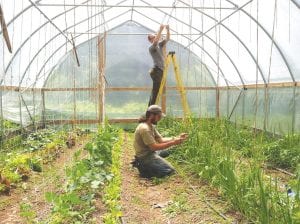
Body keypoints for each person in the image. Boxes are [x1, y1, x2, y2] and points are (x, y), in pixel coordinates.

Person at [132, 105, 188, 178]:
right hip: (145, 157)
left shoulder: (150, 126)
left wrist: (177, 138)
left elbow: (161, 140)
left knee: (174, 148)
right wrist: (173, 142)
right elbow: (154, 147)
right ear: (152, 115)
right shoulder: (145, 129)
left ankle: (154, 164)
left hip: (151, 152)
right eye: (159, 117)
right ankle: (144, 169)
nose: (160, 119)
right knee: (170, 171)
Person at [147, 24, 170, 106]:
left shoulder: (159, 45)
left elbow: (167, 39)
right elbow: (156, 41)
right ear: (150, 40)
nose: (156, 37)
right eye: (154, 37)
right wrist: (160, 30)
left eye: (155, 36)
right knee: (156, 91)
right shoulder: (151, 48)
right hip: (156, 71)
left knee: (156, 90)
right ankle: (151, 110)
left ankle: (151, 109)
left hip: (160, 70)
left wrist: (167, 29)